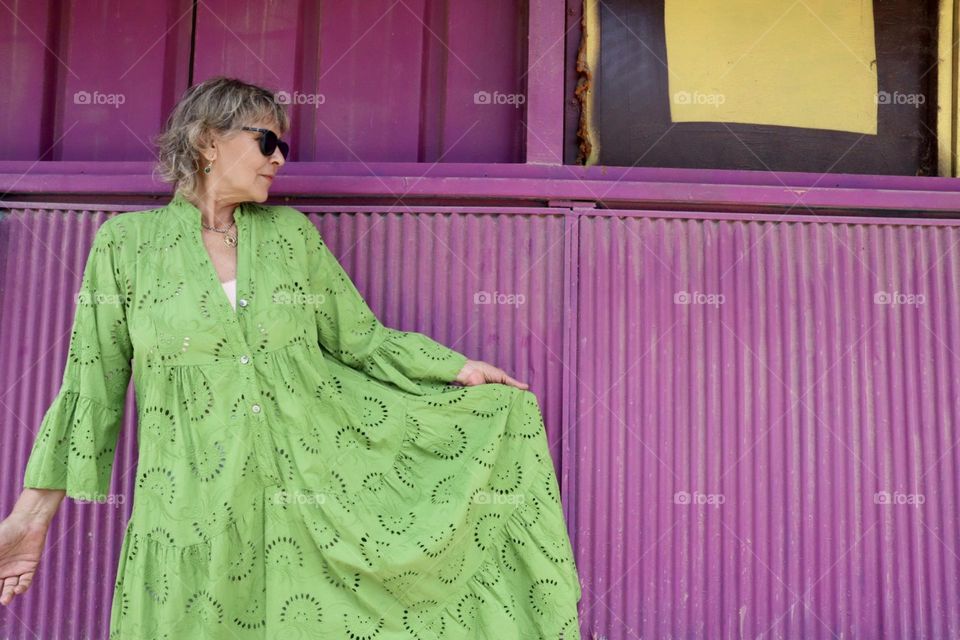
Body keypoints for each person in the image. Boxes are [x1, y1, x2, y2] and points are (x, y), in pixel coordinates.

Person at [0, 76, 582, 638]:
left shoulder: (289, 235)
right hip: (193, 505)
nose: (279, 158)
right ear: (207, 139)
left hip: (312, 492)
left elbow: (361, 339)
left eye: (285, 145)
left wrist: (456, 369)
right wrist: (30, 521)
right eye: (266, 140)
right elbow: (91, 389)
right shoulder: (125, 247)